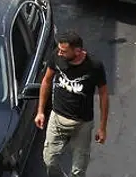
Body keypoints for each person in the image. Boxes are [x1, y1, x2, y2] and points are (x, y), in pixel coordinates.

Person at [35, 30, 110, 177]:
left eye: (64, 51)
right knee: (49, 160)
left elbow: (103, 94)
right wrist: (40, 111)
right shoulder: (57, 56)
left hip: (81, 124)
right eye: (59, 50)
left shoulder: (94, 66)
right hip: (57, 119)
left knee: (78, 171)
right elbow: (46, 81)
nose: (60, 53)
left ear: (77, 50)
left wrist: (102, 128)